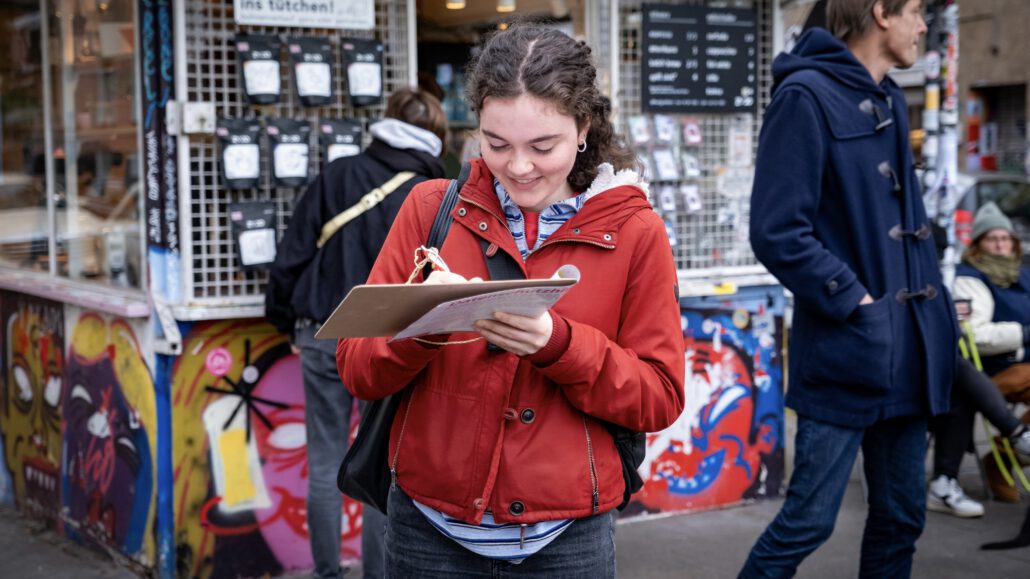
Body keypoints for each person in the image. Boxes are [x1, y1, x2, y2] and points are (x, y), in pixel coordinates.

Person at [337, 25, 685, 577]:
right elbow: (357, 368)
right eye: (496, 144)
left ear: (583, 129)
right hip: (429, 530)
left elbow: (659, 397)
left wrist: (561, 346)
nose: (519, 167)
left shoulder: (634, 231)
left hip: (566, 538)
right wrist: (422, 323)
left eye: (542, 147)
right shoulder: (431, 207)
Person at [739, 1, 959, 577]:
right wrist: (855, 300)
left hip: (909, 350)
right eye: (915, 11)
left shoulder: (890, 96)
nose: (922, 27)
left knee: (901, 519)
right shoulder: (804, 96)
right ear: (881, 12)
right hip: (848, 350)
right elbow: (777, 229)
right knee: (807, 524)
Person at [264, 88, 448, 579]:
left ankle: (328, 573)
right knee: (379, 464)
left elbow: (294, 252)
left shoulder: (340, 172)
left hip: (321, 330)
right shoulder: (436, 189)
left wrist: (285, 318)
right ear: (437, 134)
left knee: (325, 463)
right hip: (390, 341)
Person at [953, 201, 1030, 501]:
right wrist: (1023, 334)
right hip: (989, 371)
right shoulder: (969, 278)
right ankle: (1004, 458)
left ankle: (1006, 458)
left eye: (1005, 238)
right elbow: (975, 335)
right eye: (992, 238)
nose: (1000, 244)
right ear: (978, 244)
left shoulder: (1022, 274)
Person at [928, 356, 1030, 517]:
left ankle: (1014, 442)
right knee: (960, 384)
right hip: (984, 367)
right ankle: (1016, 438)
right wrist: (1022, 336)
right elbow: (975, 337)